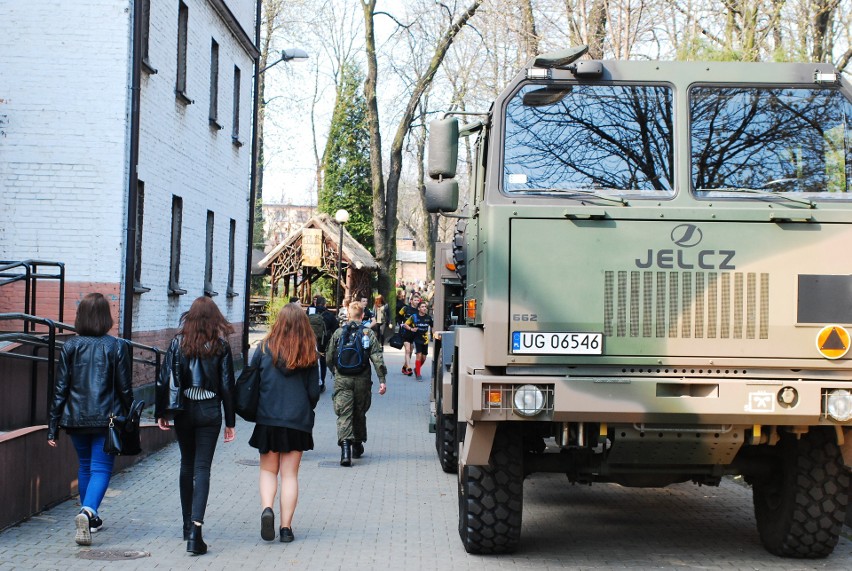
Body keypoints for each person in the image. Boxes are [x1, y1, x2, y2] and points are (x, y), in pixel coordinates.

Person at [47, 293, 133, 546]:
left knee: (85, 466)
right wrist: (129, 416)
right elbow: (124, 388)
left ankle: (91, 520)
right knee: (101, 468)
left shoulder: (71, 346)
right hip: (106, 419)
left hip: (75, 419)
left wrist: (53, 427)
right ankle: (87, 512)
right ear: (106, 317)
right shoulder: (116, 346)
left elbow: (60, 388)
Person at [155, 296, 236, 555]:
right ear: (214, 319)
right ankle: (197, 532)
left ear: (190, 317)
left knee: (186, 464)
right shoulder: (221, 346)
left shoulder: (178, 343)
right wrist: (230, 421)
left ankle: (186, 525)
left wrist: (162, 412)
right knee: (202, 468)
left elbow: (163, 380)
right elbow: (227, 385)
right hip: (210, 411)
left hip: (183, 411)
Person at [249, 303, 321, 543]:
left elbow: (253, 384)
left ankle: (267, 508)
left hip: (268, 419)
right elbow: (314, 392)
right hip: (297, 420)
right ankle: (286, 528)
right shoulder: (309, 352)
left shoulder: (263, 348)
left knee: (268, 471)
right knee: (290, 475)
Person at [326, 301, 387, 466]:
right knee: (359, 412)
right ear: (362, 316)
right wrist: (382, 380)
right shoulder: (368, 333)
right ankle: (357, 445)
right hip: (362, 380)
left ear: (348, 315)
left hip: (342, 379)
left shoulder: (339, 333)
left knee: (344, 414)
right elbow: (377, 358)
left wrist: (335, 372)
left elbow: (329, 357)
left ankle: (345, 451)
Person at [308, 296, 338, 391]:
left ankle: (309, 383)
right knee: (322, 362)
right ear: (325, 304)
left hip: (309, 341)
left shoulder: (309, 312)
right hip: (323, 342)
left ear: (316, 303)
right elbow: (336, 330)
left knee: (309, 361)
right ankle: (321, 385)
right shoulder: (329, 315)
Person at [403, 301, 434, 381]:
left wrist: (434, 334)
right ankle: (418, 374)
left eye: (425, 307)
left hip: (425, 340)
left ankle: (417, 369)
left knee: (423, 358)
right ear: (419, 308)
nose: (424, 308)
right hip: (417, 339)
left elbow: (433, 326)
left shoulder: (428, 318)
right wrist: (411, 329)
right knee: (419, 356)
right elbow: (405, 324)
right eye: (423, 307)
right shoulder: (414, 317)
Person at [397, 292, 421, 376]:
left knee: (410, 351)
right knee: (407, 349)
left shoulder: (419, 310)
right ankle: (409, 368)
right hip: (405, 332)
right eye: (415, 300)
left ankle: (404, 367)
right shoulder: (405, 308)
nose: (417, 301)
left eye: (418, 300)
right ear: (411, 301)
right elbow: (398, 316)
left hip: (414, 333)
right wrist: (401, 324)